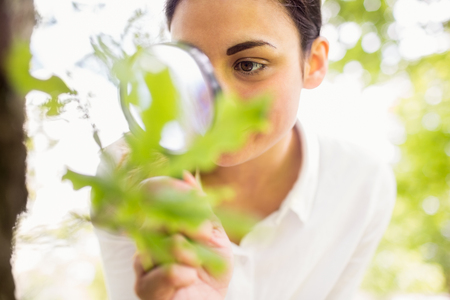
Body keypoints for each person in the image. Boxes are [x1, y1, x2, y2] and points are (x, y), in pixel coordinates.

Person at [94, 0, 397, 299]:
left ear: (313, 63)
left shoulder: (364, 186)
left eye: (249, 65)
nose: (212, 102)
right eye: (192, 66)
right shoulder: (128, 172)